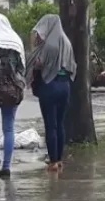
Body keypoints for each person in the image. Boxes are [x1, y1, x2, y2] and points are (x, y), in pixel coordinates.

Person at [25, 14, 76, 172]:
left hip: (50, 85)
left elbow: (38, 63)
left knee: (50, 125)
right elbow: (72, 65)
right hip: (65, 85)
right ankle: (59, 159)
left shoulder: (48, 45)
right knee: (60, 123)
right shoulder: (66, 42)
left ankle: (53, 161)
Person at [0, 14, 26, 178]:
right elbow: (22, 67)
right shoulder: (15, 40)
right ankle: (6, 166)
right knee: (8, 128)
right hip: (12, 89)